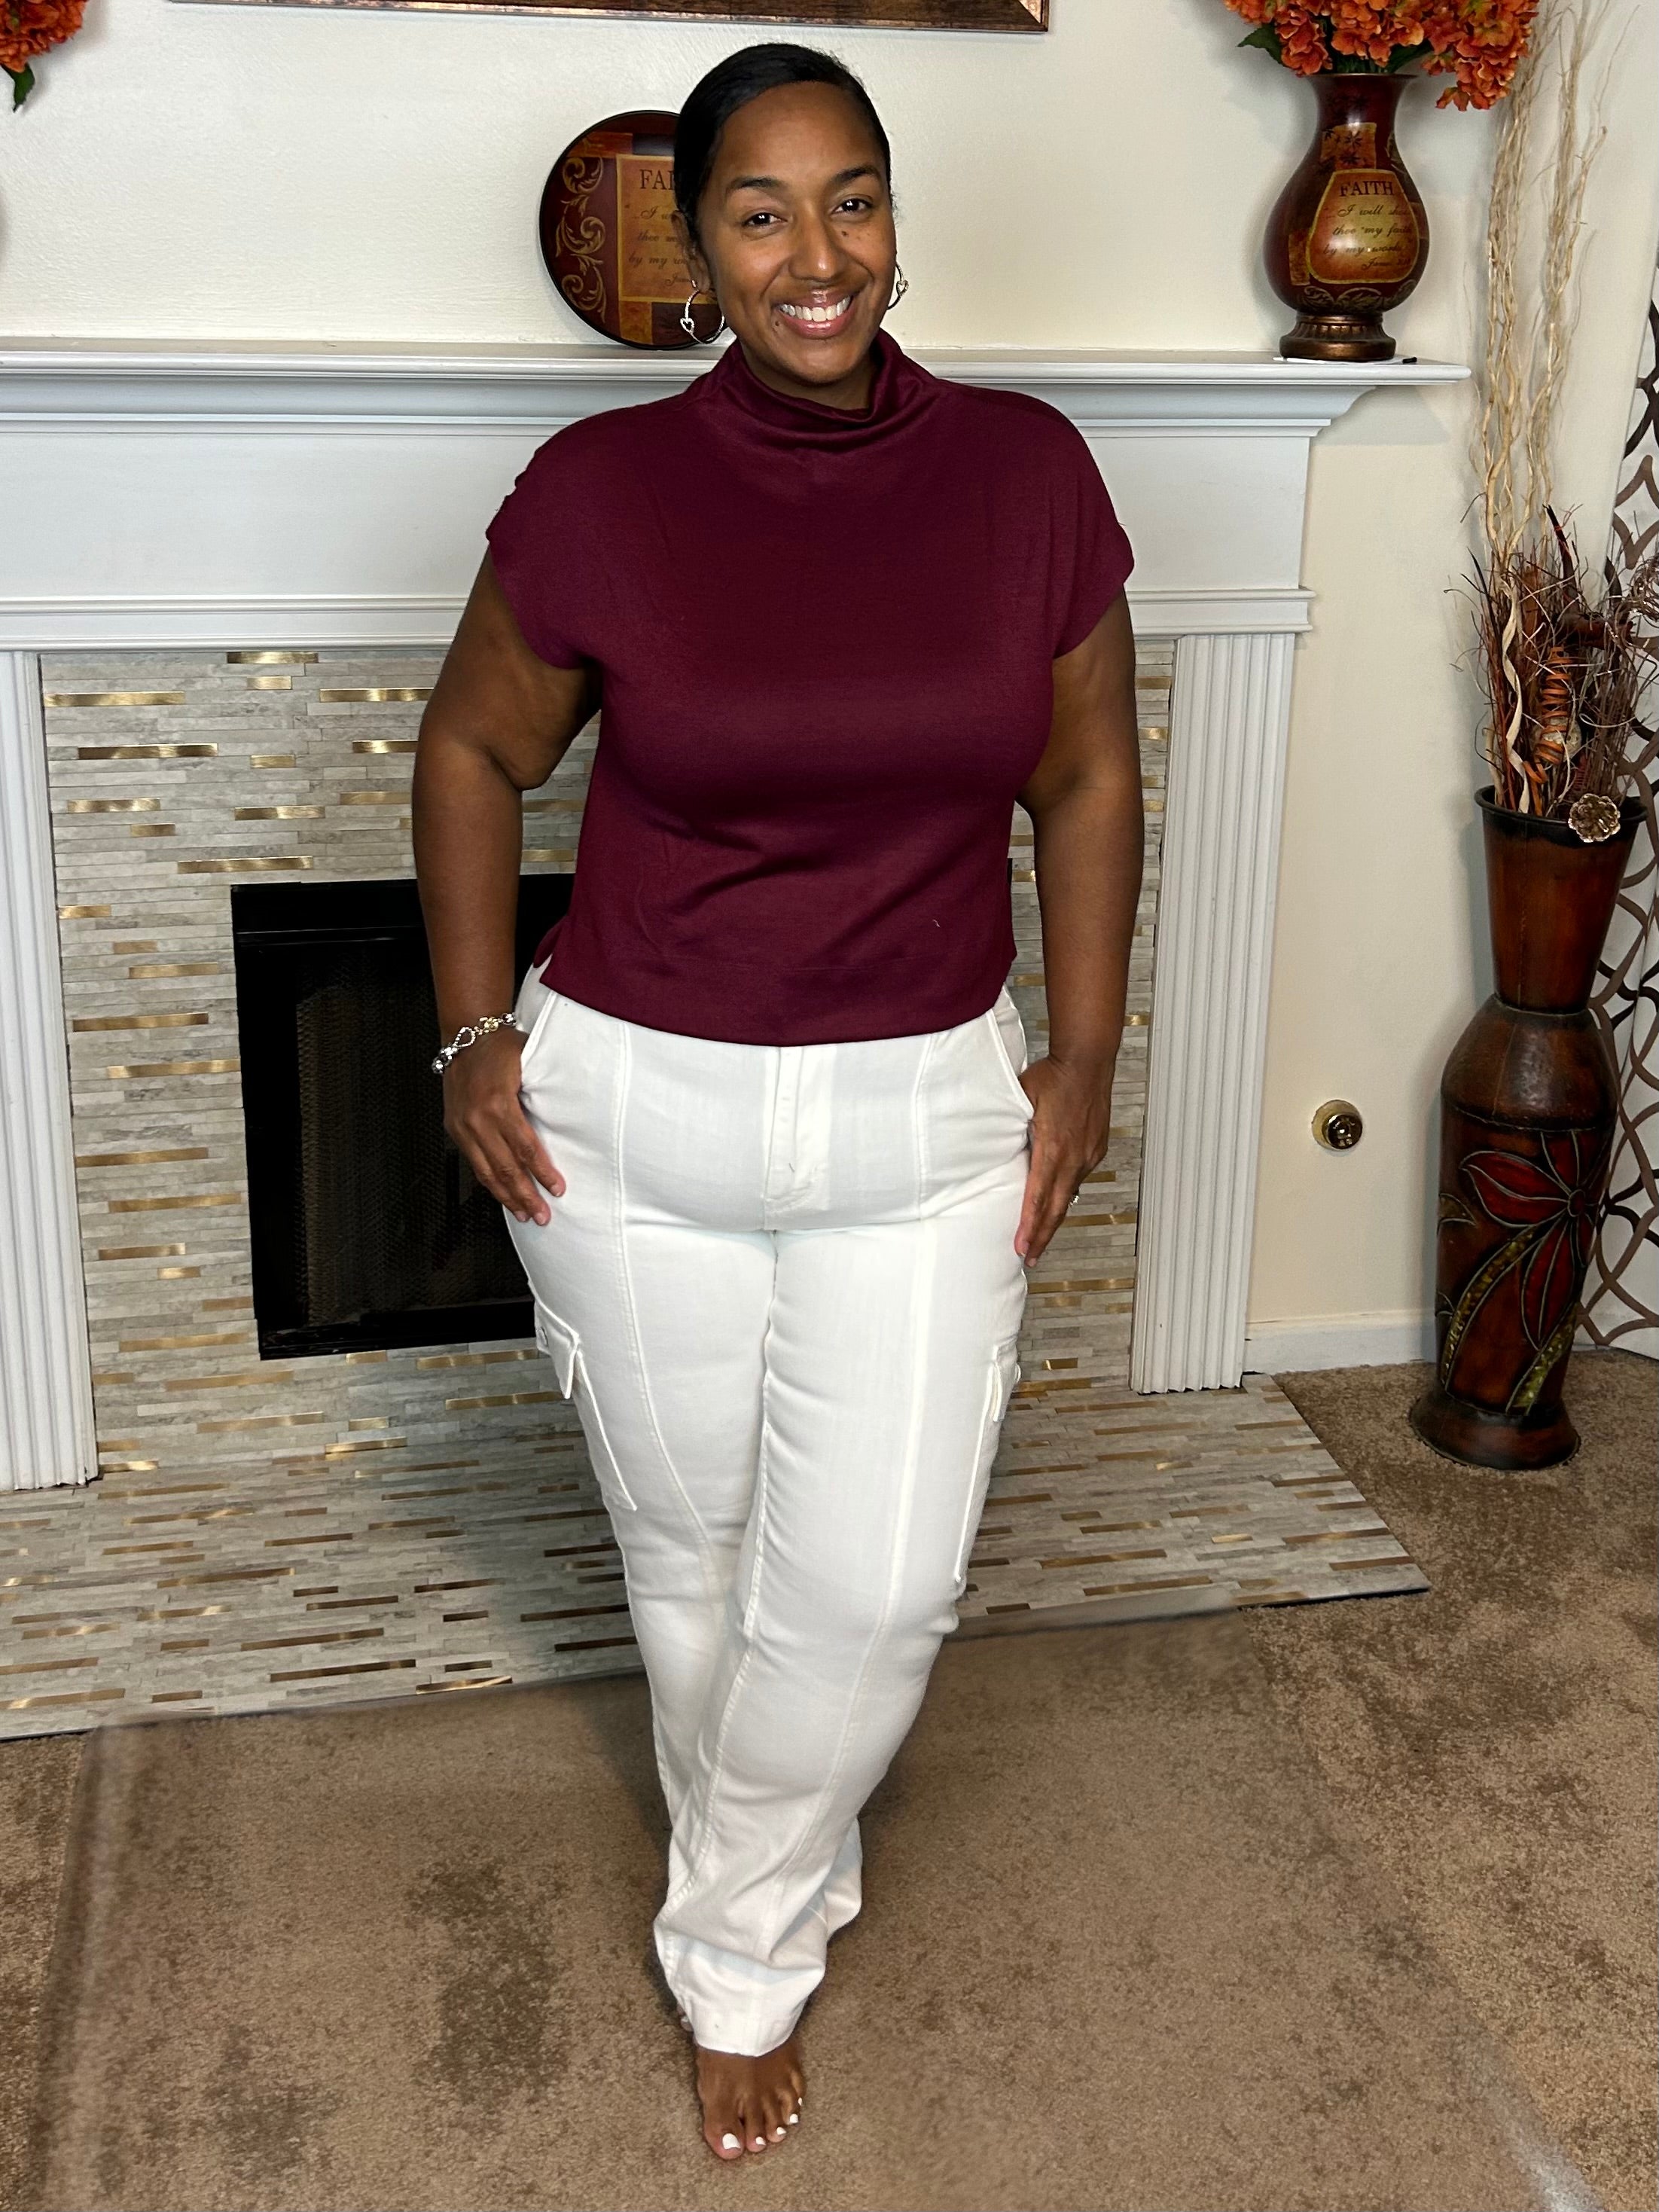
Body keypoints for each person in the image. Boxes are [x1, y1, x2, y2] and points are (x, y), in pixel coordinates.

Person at [411, 40, 1142, 2165]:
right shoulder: (602, 493)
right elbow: (471, 749)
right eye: (760, 211)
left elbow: (1089, 772)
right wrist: (468, 1032)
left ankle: (729, 1938)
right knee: (698, 1567)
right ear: (699, 245)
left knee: (876, 1594)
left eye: (853, 199)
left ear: (893, 218)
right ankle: (764, 1919)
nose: (815, 254)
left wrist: (1088, 1052)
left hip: (922, 1119)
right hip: (632, 1114)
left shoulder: (1025, 475)